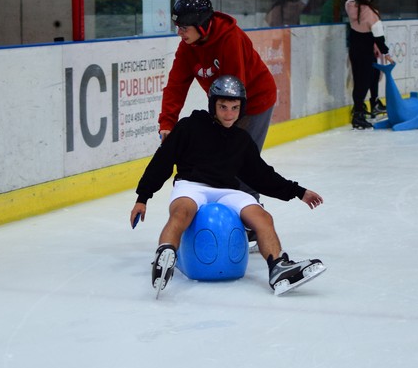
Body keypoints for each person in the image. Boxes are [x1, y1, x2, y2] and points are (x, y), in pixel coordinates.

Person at [132, 75, 326, 297]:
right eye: (223, 107)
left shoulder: (241, 140)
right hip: (191, 185)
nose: (229, 114)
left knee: (263, 217)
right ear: (213, 104)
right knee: (182, 212)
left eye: (235, 108)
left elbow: (263, 176)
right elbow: (163, 160)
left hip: (228, 191)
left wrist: (298, 192)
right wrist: (143, 197)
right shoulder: (189, 126)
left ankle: (278, 268)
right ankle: (165, 254)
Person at [161, 0, 277, 215]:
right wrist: (167, 123)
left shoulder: (230, 39)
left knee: (240, 159)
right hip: (225, 103)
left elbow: (235, 91)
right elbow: (176, 85)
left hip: (253, 100)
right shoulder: (187, 47)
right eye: (178, 26)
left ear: (201, 25)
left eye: (184, 27)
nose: (179, 32)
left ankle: (252, 219)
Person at [345, 0, 393, 129]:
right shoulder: (373, 15)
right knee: (364, 83)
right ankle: (359, 114)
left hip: (354, 50)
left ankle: (359, 110)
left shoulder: (350, 6)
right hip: (366, 52)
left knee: (360, 82)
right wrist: (386, 53)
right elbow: (379, 39)